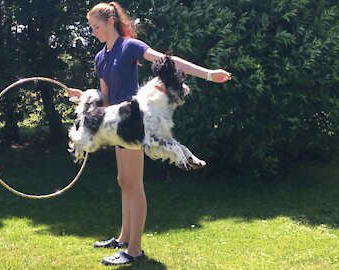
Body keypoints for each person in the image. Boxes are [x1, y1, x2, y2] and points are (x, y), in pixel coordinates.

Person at [68, 2, 231, 266]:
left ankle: (134, 250)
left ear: (110, 22)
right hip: (117, 126)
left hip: (137, 122)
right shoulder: (101, 57)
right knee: (124, 182)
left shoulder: (129, 46)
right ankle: (122, 238)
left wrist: (209, 74)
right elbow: (106, 99)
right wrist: (83, 98)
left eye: (96, 26)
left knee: (134, 185)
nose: (94, 31)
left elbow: (168, 62)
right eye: (91, 28)